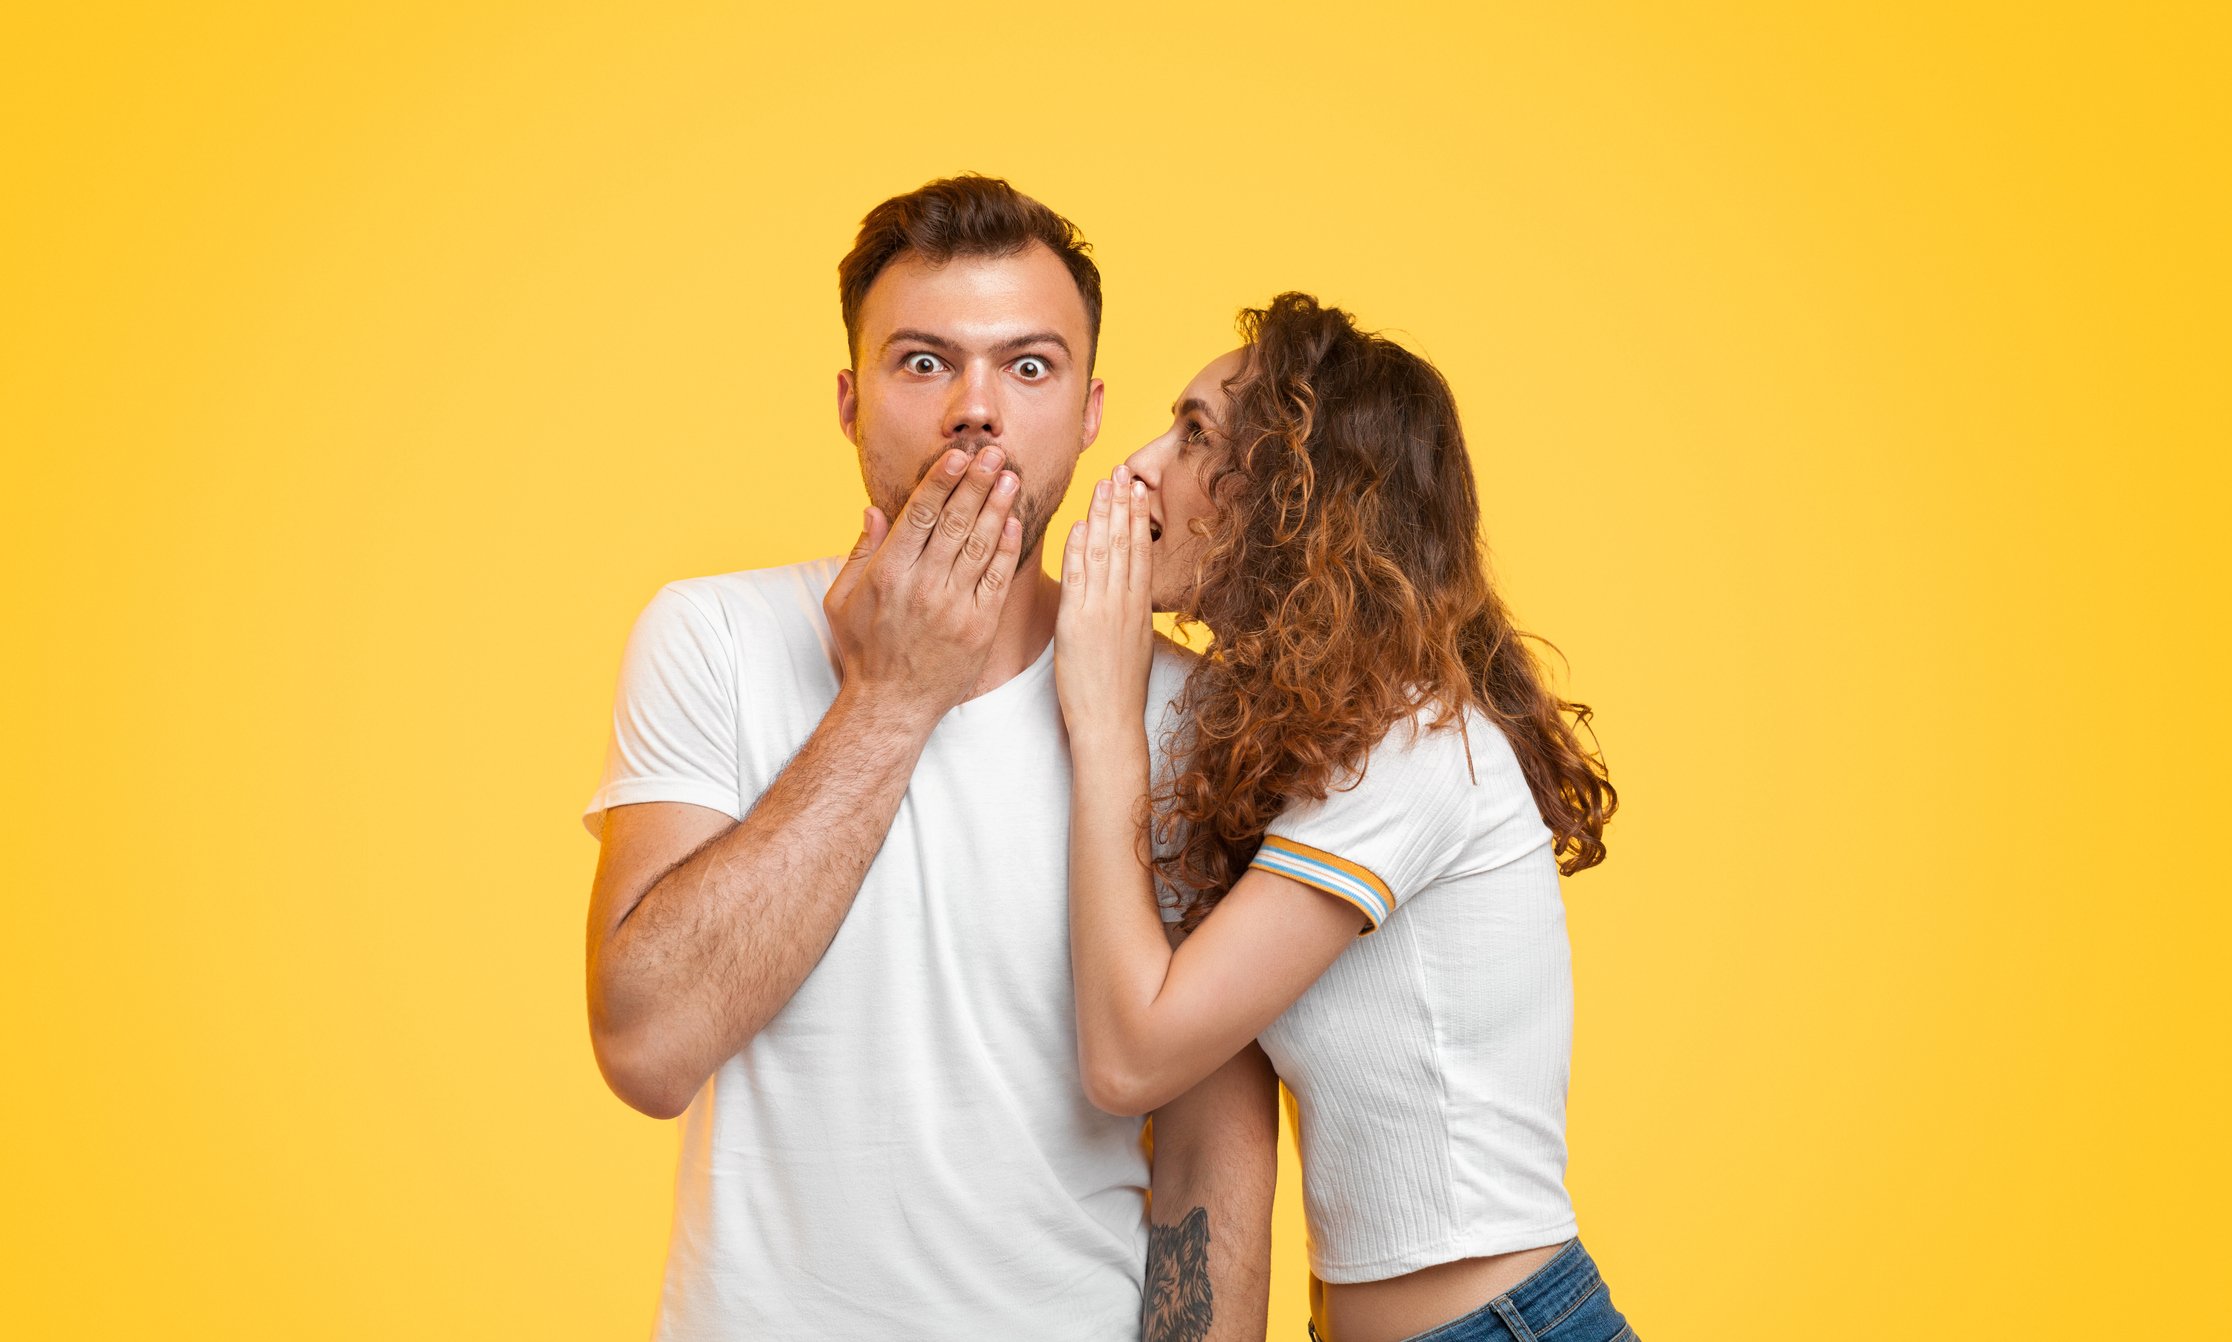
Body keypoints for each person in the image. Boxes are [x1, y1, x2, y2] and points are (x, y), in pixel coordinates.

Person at [580, 175, 1277, 1342]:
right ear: (851, 403)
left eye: (1030, 365)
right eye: (921, 363)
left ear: (1092, 408)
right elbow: (647, 1048)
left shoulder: (1189, 710)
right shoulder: (712, 639)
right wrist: (893, 697)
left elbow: (1212, 1146)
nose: (975, 408)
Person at [1053, 292, 1638, 1342]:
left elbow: (1134, 1056)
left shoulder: (1408, 749)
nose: (1142, 465)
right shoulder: (1320, 739)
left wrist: (1104, 722)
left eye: (1193, 437)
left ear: (1294, 498)